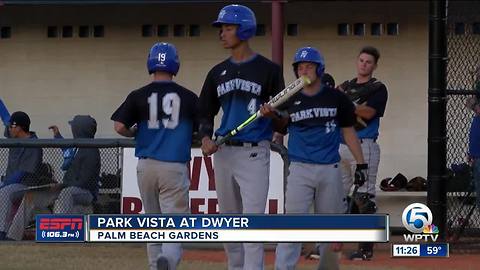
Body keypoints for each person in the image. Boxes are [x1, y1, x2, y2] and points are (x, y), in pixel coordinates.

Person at [260, 46, 367, 270]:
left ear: (319, 69)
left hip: (330, 167)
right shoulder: (290, 98)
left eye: (309, 66)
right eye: (300, 67)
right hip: (300, 167)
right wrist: (273, 116)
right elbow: (282, 126)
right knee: (293, 224)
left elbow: (348, 131)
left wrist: (361, 163)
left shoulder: (336, 98)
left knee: (328, 226)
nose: (304, 71)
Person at [197, 4, 285, 270]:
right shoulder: (216, 72)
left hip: (254, 153)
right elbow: (205, 112)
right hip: (223, 152)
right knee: (229, 224)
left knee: (252, 224)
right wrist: (205, 138)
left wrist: (272, 116)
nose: (222, 33)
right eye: (221, 28)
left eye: (228, 28)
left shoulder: (268, 70)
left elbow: (284, 119)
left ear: (244, 29)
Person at [111, 42, 198, 270]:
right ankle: (166, 261)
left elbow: (119, 126)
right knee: (177, 225)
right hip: (173, 166)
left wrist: (134, 133)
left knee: (153, 222)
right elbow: (200, 131)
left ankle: (154, 265)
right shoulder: (188, 97)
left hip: (146, 165)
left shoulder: (138, 95)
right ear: (175, 64)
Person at [6, 115, 100, 240]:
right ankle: (13, 236)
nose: (72, 128)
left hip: (85, 193)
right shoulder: (77, 146)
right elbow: (66, 149)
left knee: (66, 193)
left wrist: (61, 186)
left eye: (74, 126)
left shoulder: (91, 151)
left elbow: (85, 182)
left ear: (80, 129)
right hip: (68, 187)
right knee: (30, 196)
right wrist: (57, 136)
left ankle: (58, 235)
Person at [338, 46, 388, 260]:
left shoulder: (378, 88)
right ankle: (333, 245)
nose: (364, 64)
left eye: (368, 62)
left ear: (374, 65)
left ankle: (365, 249)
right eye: (361, 60)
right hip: (340, 145)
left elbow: (368, 112)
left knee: (364, 196)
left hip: (365, 143)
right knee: (336, 196)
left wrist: (346, 104)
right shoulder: (346, 85)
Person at [0, 111, 43, 240]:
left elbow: (21, 173)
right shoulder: (15, 136)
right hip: (10, 183)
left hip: (25, 185)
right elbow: (6, 117)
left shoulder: (34, 145)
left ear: (18, 128)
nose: (8, 129)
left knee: (4, 192)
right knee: (5, 190)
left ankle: (2, 233)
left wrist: (3, 185)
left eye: (11, 126)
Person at [467, 94, 480, 209]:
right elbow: (473, 138)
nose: (475, 109)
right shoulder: (476, 119)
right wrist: (470, 153)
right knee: (477, 184)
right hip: (476, 157)